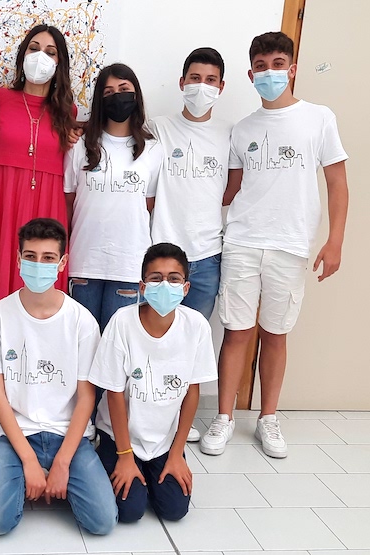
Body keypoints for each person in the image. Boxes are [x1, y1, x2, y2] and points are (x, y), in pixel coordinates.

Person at [200, 32, 349, 459]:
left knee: (276, 332)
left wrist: (335, 241)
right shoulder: (243, 129)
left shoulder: (319, 118)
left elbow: (337, 184)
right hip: (243, 239)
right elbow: (229, 189)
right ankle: (224, 417)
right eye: (261, 67)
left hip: (290, 242)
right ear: (251, 74)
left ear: (292, 69)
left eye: (278, 64)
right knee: (236, 331)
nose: (270, 73)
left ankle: (268, 418)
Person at [0, 218, 117, 536]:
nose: (39, 265)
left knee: (103, 522)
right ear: (18, 259)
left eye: (48, 257)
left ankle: (55, 475)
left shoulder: (81, 321)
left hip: (69, 436)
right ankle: (22, 473)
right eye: (31, 256)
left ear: (62, 263)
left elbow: (87, 398)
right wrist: (27, 460)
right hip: (15, 436)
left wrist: (63, 463)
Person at [0, 24, 79, 376]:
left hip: (47, 205)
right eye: (34, 48)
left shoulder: (68, 112)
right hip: (1, 206)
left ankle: (39, 376)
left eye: (50, 52)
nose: (40, 57)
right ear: (22, 55)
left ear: (59, 64)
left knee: (42, 287)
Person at [89, 243, 217, 522]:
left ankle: (152, 469)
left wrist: (176, 453)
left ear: (186, 288)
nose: (165, 285)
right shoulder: (122, 322)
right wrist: (125, 456)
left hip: (164, 440)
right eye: (156, 278)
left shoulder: (196, 326)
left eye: (174, 278)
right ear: (143, 287)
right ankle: (110, 457)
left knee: (174, 509)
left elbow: (192, 392)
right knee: (129, 511)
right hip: (120, 437)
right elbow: (114, 393)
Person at [149, 47, 231, 443]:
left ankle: (181, 418)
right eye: (195, 79)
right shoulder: (158, 128)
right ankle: (147, 414)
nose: (202, 86)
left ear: (221, 86)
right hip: (161, 256)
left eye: (210, 80)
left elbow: (232, 188)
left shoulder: (230, 134)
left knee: (190, 342)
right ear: (182, 83)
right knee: (151, 338)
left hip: (207, 256)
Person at [65, 63, 163, 331]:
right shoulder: (80, 145)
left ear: (136, 94)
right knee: (81, 344)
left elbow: (148, 204)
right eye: (108, 92)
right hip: (84, 263)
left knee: (118, 345)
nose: (117, 96)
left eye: (123, 89)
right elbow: (69, 202)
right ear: (99, 99)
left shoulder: (153, 149)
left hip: (128, 265)